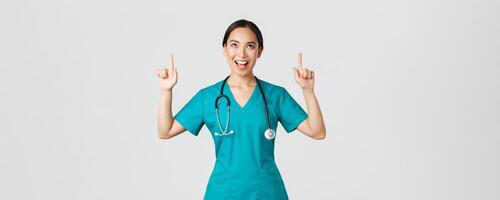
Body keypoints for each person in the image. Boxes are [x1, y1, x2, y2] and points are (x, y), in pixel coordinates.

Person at [155, 19, 326, 200]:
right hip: (222, 193)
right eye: (234, 45)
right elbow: (165, 131)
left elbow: (317, 131)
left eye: (250, 46)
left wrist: (308, 90)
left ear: (259, 51)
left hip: (267, 193)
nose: (241, 54)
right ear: (225, 49)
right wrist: (166, 91)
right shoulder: (208, 97)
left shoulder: (276, 95)